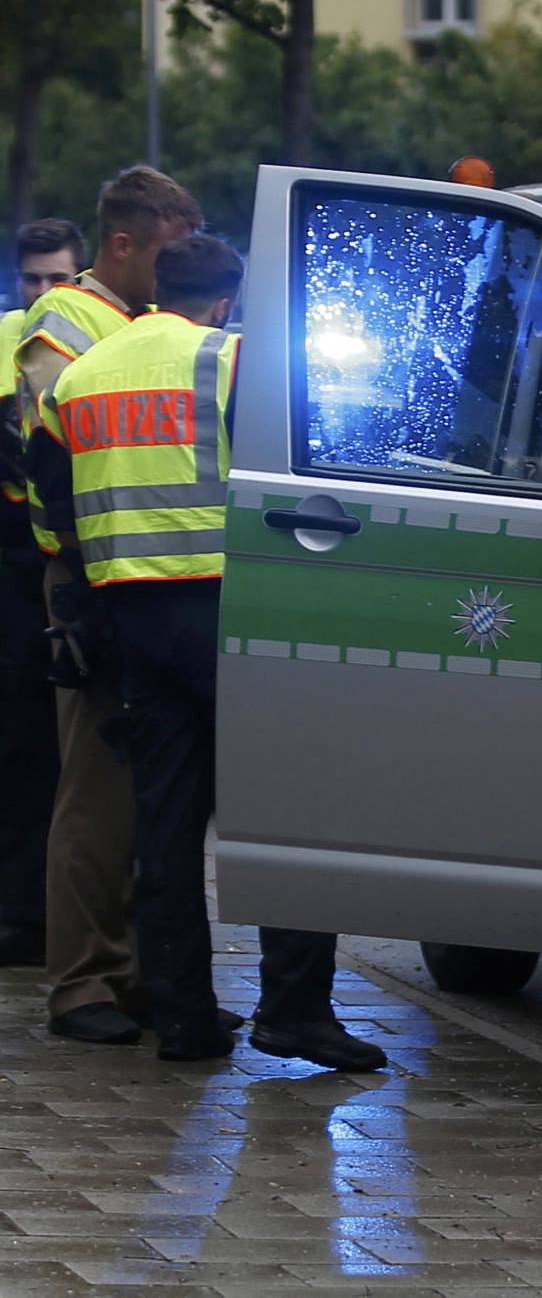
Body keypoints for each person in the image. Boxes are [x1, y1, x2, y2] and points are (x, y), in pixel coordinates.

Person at [38, 234, 387, 1069]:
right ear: (227, 300)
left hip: (131, 617)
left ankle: (184, 1017)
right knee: (291, 809)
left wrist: (87, 598)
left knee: (165, 822)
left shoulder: (86, 372)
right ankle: (294, 1010)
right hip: (234, 608)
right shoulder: (231, 363)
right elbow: (298, 486)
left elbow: (51, 504)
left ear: (162, 286)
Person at [16, 166, 200, 1045]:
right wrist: (78, 587)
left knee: (139, 790)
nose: (173, 277)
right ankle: (82, 980)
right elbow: (41, 460)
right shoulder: (67, 321)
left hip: (147, 580)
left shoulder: (137, 323)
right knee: (94, 790)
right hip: (90, 580)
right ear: (122, 243)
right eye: (163, 255)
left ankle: (125, 971)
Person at [0, 219, 86, 967]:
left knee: (63, 757)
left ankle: (45, 916)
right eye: (30, 279)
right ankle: (20, 916)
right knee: (19, 749)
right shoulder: (5, 339)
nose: (40, 294)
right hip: (9, 566)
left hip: (65, 569)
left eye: (55, 278)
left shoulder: (95, 340)